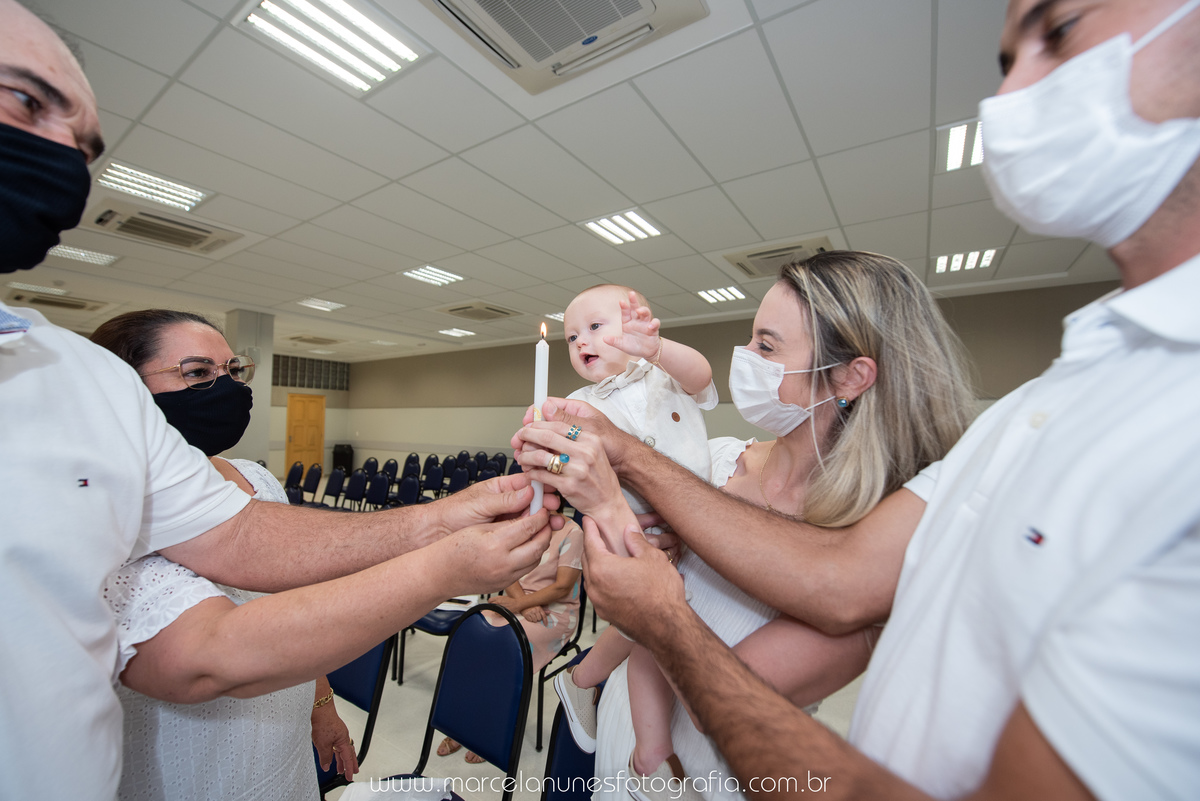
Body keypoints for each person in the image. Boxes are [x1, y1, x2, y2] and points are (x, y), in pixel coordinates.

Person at [523, 1, 1200, 799]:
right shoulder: (1032, 410)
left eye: (1056, 33)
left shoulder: (1147, 432)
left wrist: (654, 599)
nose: (1013, 92)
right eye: (1004, 61)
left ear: (851, 376)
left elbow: (828, 601)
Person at [0, 3, 552, 794]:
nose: (64, 156)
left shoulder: (79, 378)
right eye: (25, 102)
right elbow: (206, 651)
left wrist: (445, 518)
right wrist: (444, 559)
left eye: (85, 145)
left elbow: (246, 539)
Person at [523, 253, 975, 801]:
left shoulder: (867, 550)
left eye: (766, 346)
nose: (745, 359)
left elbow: (714, 696)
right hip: (621, 747)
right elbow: (620, 584)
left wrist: (616, 504)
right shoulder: (710, 462)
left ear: (850, 376)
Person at [436, 519, 585, 763]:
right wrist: (521, 603)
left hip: (555, 612)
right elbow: (505, 570)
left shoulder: (572, 531)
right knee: (473, 635)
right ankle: (463, 720)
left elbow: (562, 588)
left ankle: (492, 726)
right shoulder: (520, 524)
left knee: (505, 647)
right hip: (518, 602)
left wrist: (521, 605)